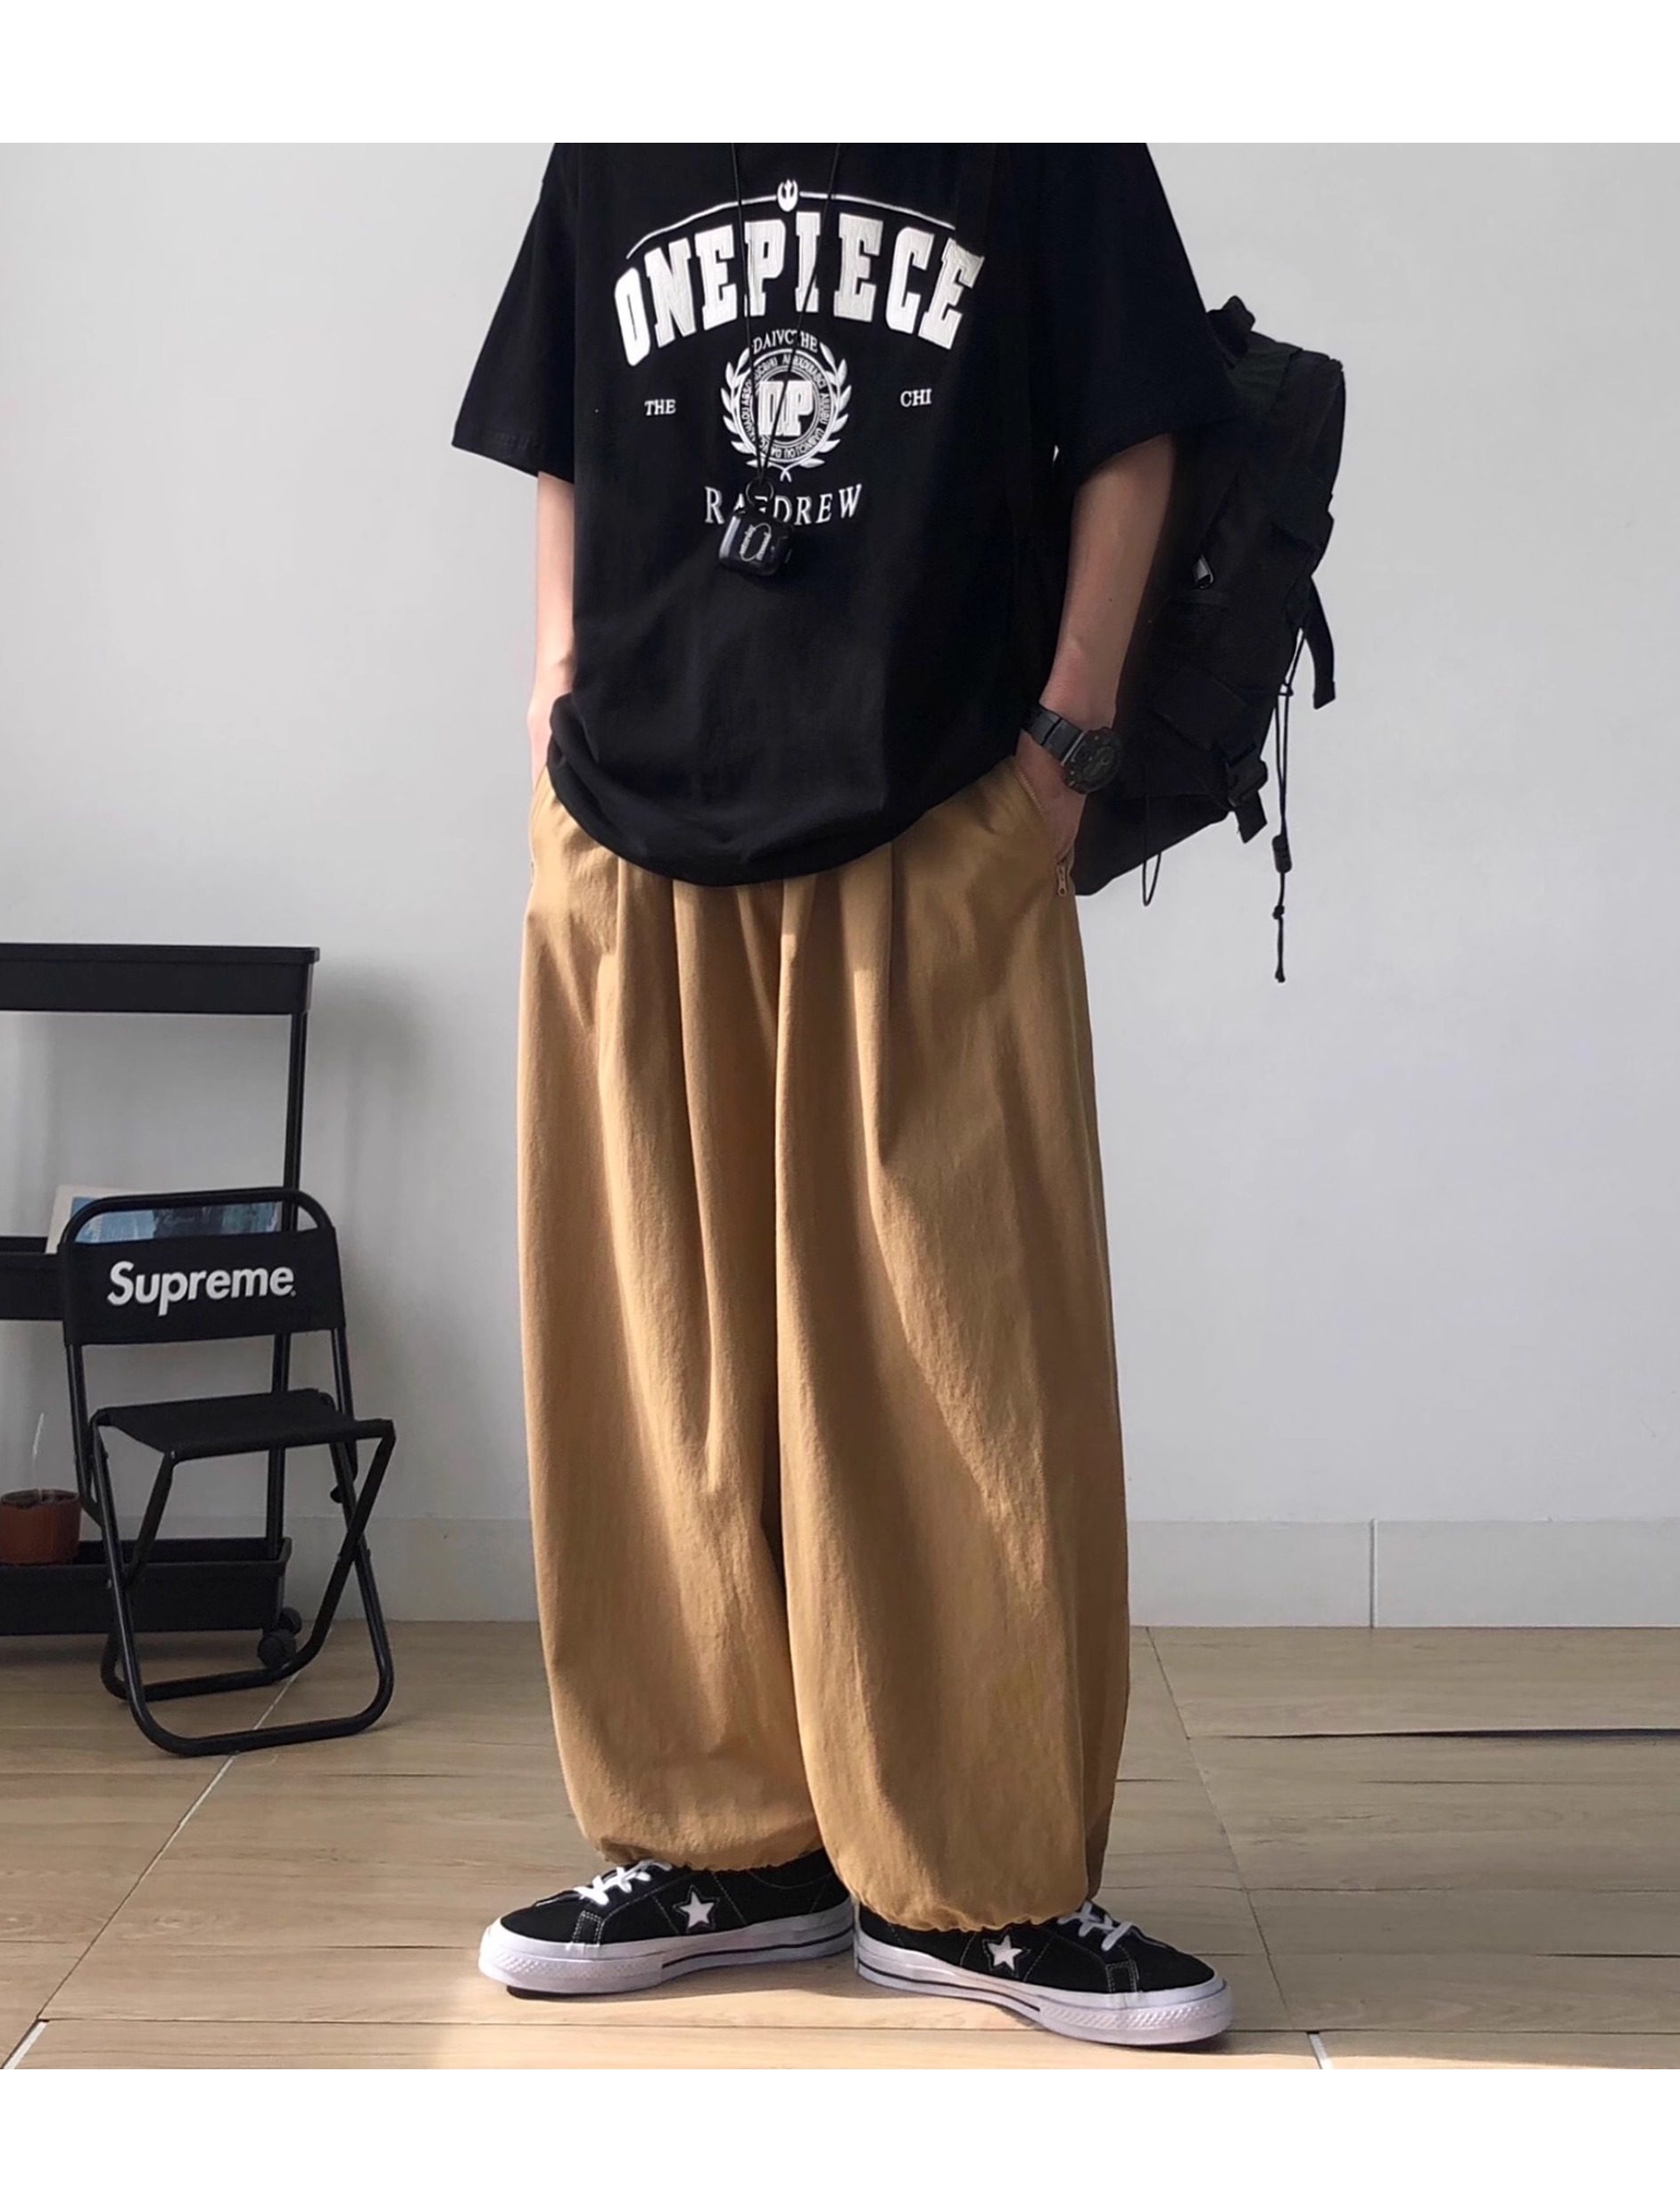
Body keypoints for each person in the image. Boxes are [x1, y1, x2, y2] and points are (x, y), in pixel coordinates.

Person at [452, 144, 1237, 2049]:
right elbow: (567, 429)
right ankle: (721, 1843)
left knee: (964, 1351)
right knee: (655, 1355)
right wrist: (554, 697)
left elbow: (1139, 425)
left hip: (933, 796)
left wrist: (1065, 739)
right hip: (633, 813)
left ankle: (982, 1881)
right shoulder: (625, 120)